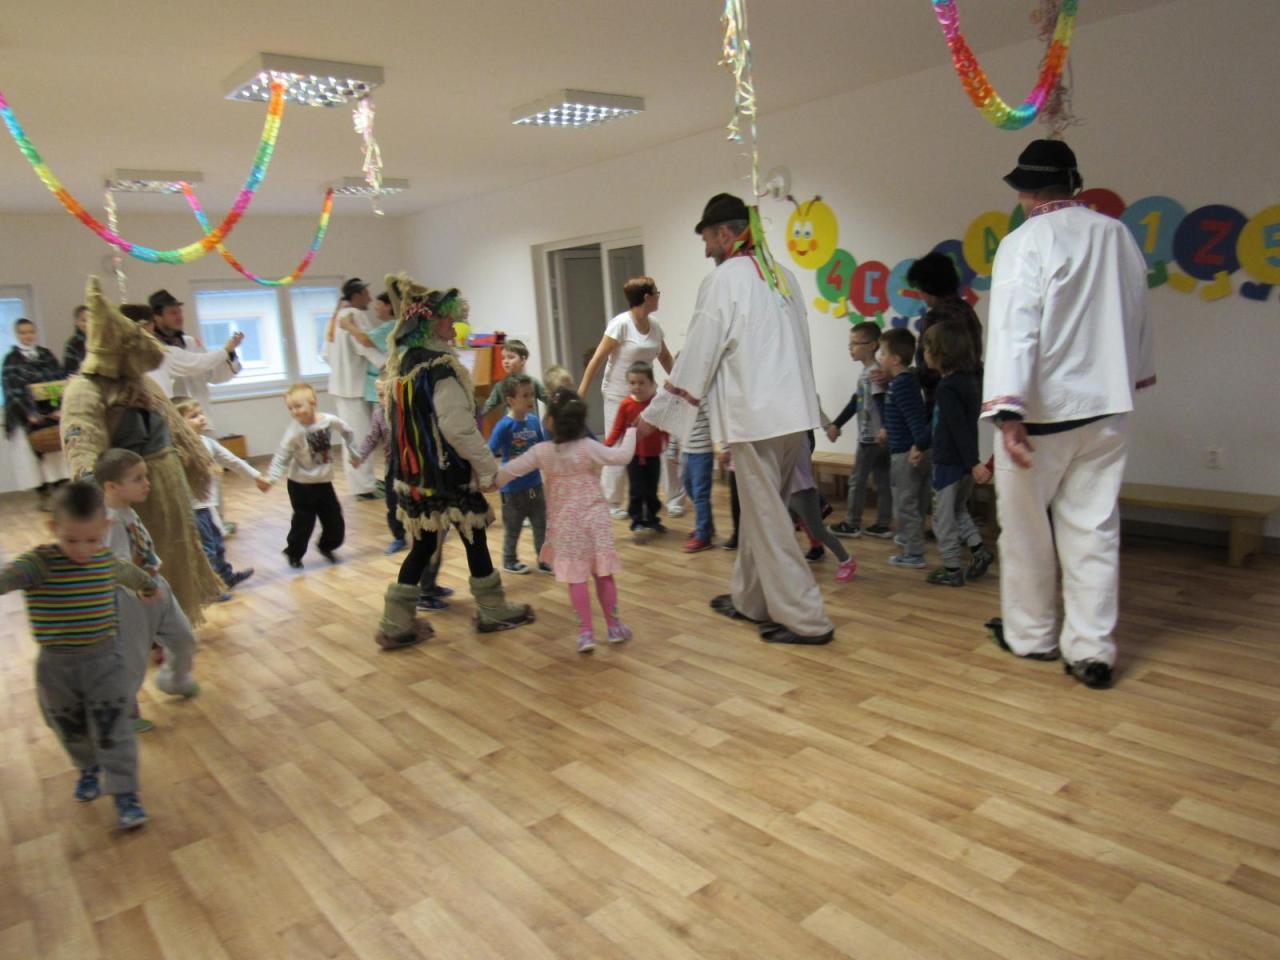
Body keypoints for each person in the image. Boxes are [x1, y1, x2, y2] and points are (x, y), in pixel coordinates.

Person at [983, 139, 1155, 689]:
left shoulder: (1024, 241)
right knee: (1094, 531)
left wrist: (1007, 410)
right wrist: (1133, 376)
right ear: (1073, 184)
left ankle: (1031, 635)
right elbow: (1138, 310)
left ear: (1025, 191)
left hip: (1041, 414)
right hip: (1108, 409)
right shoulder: (1117, 235)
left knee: (1025, 532)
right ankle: (1091, 651)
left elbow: (1015, 325)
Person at [640, 193, 833, 645]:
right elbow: (801, 348)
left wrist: (658, 412)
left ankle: (809, 621)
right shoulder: (783, 276)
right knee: (764, 515)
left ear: (726, 234)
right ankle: (751, 600)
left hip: (759, 418)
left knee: (768, 520)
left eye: (708, 239)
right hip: (793, 417)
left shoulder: (724, 279)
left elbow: (700, 350)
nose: (706, 249)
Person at [374, 274, 533, 649]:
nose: (453, 322)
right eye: (445, 317)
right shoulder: (439, 368)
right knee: (471, 535)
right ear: (428, 322)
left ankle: (396, 623)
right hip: (446, 474)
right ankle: (492, 609)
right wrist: (488, 468)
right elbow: (457, 428)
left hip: (417, 474)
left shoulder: (404, 364)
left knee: (428, 545)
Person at [60, 278, 225, 627]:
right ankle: (144, 628)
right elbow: (82, 447)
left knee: (177, 552)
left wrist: (197, 461)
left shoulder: (141, 383)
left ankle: (175, 620)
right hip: (128, 496)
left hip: (168, 485)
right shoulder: (84, 391)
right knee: (138, 562)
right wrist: (93, 503)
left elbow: (175, 426)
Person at [0, 481, 157, 830]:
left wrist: (148, 585)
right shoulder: (38, 563)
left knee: (114, 726)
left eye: (92, 539)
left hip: (105, 661)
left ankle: (125, 793)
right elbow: (6, 578)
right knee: (69, 727)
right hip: (56, 668)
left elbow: (127, 572)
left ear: (106, 527)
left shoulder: (105, 559)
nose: (83, 550)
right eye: (71, 540)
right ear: (53, 527)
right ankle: (87, 767)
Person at [495, 390, 635, 654]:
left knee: (577, 578)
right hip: (595, 521)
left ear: (550, 422)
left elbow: (511, 470)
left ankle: (586, 634)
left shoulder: (542, 452)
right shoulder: (588, 447)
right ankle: (614, 627)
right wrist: (631, 432)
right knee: (603, 573)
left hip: (567, 527)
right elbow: (621, 457)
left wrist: (488, 482)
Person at [96, 449, 200, 737]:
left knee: (184, 639)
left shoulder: (126, 509)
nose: (147, 483)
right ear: (112, 487)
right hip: (132, 600)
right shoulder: (110, 521)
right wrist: (143, 586)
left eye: (145, 476)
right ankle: (122, 714)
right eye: (138, 478)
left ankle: (174, 680)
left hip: (157, 588)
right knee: (132, 659)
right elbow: (116, 566)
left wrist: (153, 584)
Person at [578, 276, 674, 520]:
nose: (659, 296)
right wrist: (581, 394)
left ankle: (670, 498)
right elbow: (597, 360)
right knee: (619, 446)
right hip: (618, 394)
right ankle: (611, 501)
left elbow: (664, 357)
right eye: (656, 293)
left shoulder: (654, 325)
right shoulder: (620, 324)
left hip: (648, 395)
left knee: (659, 445)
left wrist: (680, 385)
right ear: (646, 298)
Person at [919, 323, 994, 587]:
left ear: (941, 352)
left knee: (942, 517)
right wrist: (921, 444)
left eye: (927, 347)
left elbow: (957, 426)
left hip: (949, 462)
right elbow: (942, 422)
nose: (924, 353)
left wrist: (973, 462)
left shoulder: (948, 387)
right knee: (958, 509)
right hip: (962, 461)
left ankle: (951, 569)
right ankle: (979, 550)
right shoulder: (968, 381)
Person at [172, 398, 263, 594]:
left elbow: (232, 460)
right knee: (207, 549)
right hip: (192, 509)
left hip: (206, 506)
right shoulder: (177, 450)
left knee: (218, 543)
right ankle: (211, 588)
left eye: (201, 413)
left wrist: (256, 476)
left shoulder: (208, 443)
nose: (201, 418)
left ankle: (226, 577)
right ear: (177, 422)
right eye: (194, 416)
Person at [262, 383, 354, 567]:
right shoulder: (294, 432)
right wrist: (270, 478)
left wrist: (354, 453)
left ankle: (326, 545)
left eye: (298, 406)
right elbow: (281, 457)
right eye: (290, 408)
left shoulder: (328, 420)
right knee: (304, 522)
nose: (294, 411)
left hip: (323, 483)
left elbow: (347, 431)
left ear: (313, 403)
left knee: (334, 520)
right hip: (300, 485)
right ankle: (294, 554)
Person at [829, 321, 893, 540]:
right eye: (850, 344)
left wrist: (884, 427)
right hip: (880, 438)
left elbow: (881, 400)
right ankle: (883, 524)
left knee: (857, 480)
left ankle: (852, 523)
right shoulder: (870, 372)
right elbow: (854, 402)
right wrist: (837, 424)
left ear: (872, 345)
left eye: (855, 343)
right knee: (882, 481)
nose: (851, 348)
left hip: (870, 438)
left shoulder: (872, 373)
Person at [146, 290, 243, 432]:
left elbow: (214, 374)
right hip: (177, 425)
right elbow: (195, 363)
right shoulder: (156, 349)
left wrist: (230, 354)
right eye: (173, 313)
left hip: (203, 420)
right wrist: (225, 350)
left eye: (180, 312)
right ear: (157, 317)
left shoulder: (191, 343)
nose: (179, 316)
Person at [906, 252, 985, 418]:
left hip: (941, 400)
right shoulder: (967, 310)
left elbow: (932, 369)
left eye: (920, 288)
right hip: (971, 396)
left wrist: (901, 374)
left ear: (929, 286)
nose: (920, 295)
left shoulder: (936, 317)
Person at [879, 328, 932, 569]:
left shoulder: (902, 385)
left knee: (906, 503)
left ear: (895, 359)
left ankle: (914, 553)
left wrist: (917, 447)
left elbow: (915, 420)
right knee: (913, 502)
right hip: (909, 449)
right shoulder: (903, 382)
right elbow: (903, 415)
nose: (880, 357)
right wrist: (887, 428)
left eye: (883, 353)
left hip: (906, 453)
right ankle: (910, 539)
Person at [326, 278, 383, 499]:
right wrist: (387, 365)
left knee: (352, 437)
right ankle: (364, 487)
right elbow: (366, 345)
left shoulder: (336, 317)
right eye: (367, 294)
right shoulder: (354, 315)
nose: (370, 299)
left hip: (342, 386)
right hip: (354, 387)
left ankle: (363, 483)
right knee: (360, 438)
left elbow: (325, 353)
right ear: (357, 295)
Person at [3, 317, 69, 510]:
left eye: (30, 332)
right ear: (17, 334)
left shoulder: (46, 355)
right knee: (34, 461)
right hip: (27, 418)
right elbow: (12, 391)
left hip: (52, 415)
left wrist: (57, 408)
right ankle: (44, 494)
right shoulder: (11, 360)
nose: (27, 336)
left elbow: (58, 384)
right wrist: (29, 414)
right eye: (23, 333)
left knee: (57, 456)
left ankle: (62, 493)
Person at [487, 374, 549, 574]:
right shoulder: (504, 426)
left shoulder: (534, 421)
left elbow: (541, 448)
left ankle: (544, 559)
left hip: (535, 485)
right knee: (513, 527)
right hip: (512, 489)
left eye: (531, 394)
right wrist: (490, 478)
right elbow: (489, 452)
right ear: (511, 400)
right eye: (525, 395)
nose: (530, 399)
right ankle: (509, 560)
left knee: (541, 524)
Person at [606, 361, 667, 536]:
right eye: (633, 383)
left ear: (651, 383)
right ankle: (637, 521)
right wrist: (608, 445)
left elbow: (663, 426)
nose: (637, 387)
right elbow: (617, 428)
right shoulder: (626, 405)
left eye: (641, 383)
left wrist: (669, 443)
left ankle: (652, 519)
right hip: (632, 455)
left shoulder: (655, 404)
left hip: (653, 455)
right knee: (636, 490)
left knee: (652, 490)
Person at [788, 444, 858, 583]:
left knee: (818, 532)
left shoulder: (797, 439)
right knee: (784, 530)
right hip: (787, 491)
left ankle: (847, 561)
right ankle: (790, 564)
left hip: (803, 492)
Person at [481, 340, 549, 418]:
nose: (506, 361)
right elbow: (487, 407)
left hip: (531, 424)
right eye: (503, 358)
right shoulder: (500, 386)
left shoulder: (533, 382)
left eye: (511, 357)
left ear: (522, 360)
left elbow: (549, 400)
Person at [681, 399, 716, 552]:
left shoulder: (701, 396)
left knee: (700, 494)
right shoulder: (680, 397)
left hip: (702, 452)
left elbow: (714, 418)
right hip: (687, 450)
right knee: (689, 487)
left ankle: (703, 536)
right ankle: (707, 526)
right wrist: (673, 447)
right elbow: (677, 424)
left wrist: (696, 401)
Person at [63, 305, 89, 376]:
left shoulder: (100, 341)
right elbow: (69, 370)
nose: (87, 324)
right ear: (76, 322)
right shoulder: (72, 343)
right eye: (84, 320)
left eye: (90, 320)